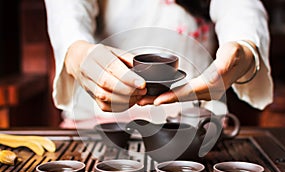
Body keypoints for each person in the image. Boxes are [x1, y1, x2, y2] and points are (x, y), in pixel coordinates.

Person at [44, 0, 273, 128]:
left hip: (194, 123)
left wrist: (243, 48)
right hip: (99, 122)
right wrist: (77, 52)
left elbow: (242, 8)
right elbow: (67, 14)